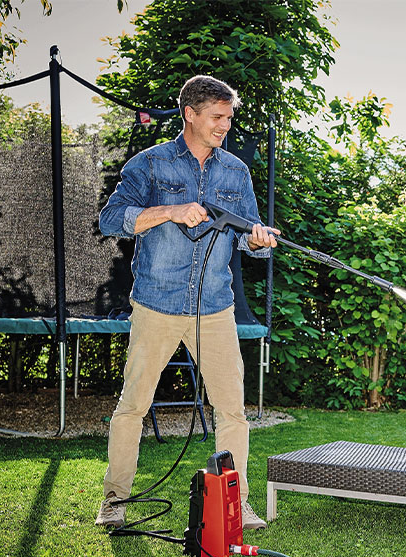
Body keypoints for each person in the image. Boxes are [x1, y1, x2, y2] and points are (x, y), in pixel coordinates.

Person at [95, 75, 278, 530]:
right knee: (132, 406)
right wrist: (170, 211)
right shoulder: (150, 165)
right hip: (156, 303)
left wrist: (258, 241)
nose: (225, 125)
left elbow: (245, 236)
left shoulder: (235, 171)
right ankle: (115, 500)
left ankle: (237, 504)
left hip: (215, 308)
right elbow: (111, 220)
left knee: (233, 410)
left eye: (229, 117)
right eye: (217, 117)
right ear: (190, 115)